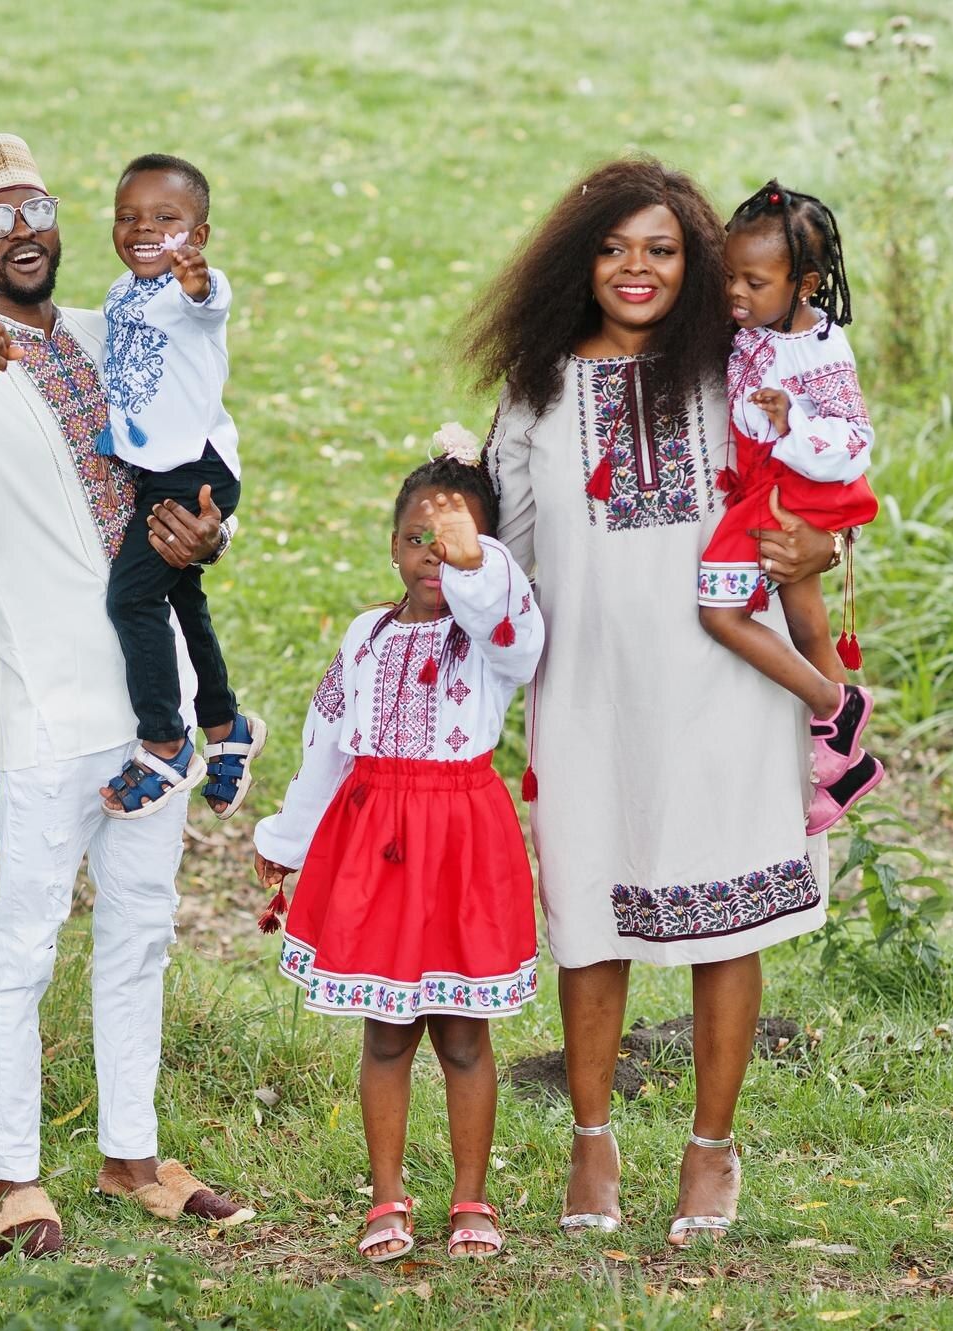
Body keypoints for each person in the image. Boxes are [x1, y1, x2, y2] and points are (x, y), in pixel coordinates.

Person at [0, 132, 252, 1260]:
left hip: (156, 704)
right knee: (24, 941)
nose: (23, 229)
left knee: (139, 930)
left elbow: (206, 438)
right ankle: (14, 1178)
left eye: (34, 206)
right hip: (48, 709)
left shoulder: (117, 328)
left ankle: (132, 1155)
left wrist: (213, 525)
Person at [465, 157, 842, 1247]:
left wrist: (820, 543)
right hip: (585, 686)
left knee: (729, 921)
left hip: (727, 685)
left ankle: (710, 1147)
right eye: (614, 248)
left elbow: (812, 489)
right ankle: (591, 1138)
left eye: (662, 249)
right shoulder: (536, 386)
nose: (636, 267)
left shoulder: (735, 370)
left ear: (699, 263)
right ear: (576, 264)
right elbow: (508, 553)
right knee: (590, 919)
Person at [251, 437, 543, 1263]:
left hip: (460, 845)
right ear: (390, 544)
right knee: (386, 1032)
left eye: (453, 541)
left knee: (461, 1033)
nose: (433, 555)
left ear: (487, 555)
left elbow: (519, 634)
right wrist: (286, 839)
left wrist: (475, 565)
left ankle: (470, 1198)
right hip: (375, 846)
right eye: (417, 538)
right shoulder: (366, 637)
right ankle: (387, 1197)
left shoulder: (489, 639)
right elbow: (325, 746)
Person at [699, 180, 883, 833]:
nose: (735, 294)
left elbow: (856, 437)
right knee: (806, 626)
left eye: (753, 281)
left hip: (791, 487)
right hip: (764, 481)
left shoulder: (821, 348)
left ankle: (834, 703)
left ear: (804, 285)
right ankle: (849, 762)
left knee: (720, 613)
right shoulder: (753, 323)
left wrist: (791, 422)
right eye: (728, 277)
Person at [96, 153, 266, 822]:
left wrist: (197, 282)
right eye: (127, 216)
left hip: (195, 470)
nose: (144, 229)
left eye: (166, 219)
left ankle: (166, 742)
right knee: (180, 593)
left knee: (132, 596)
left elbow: (208, 299)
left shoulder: (195, 289)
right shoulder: (119, 291)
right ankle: (226, 728)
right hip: (154, 466)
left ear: (198, 237)